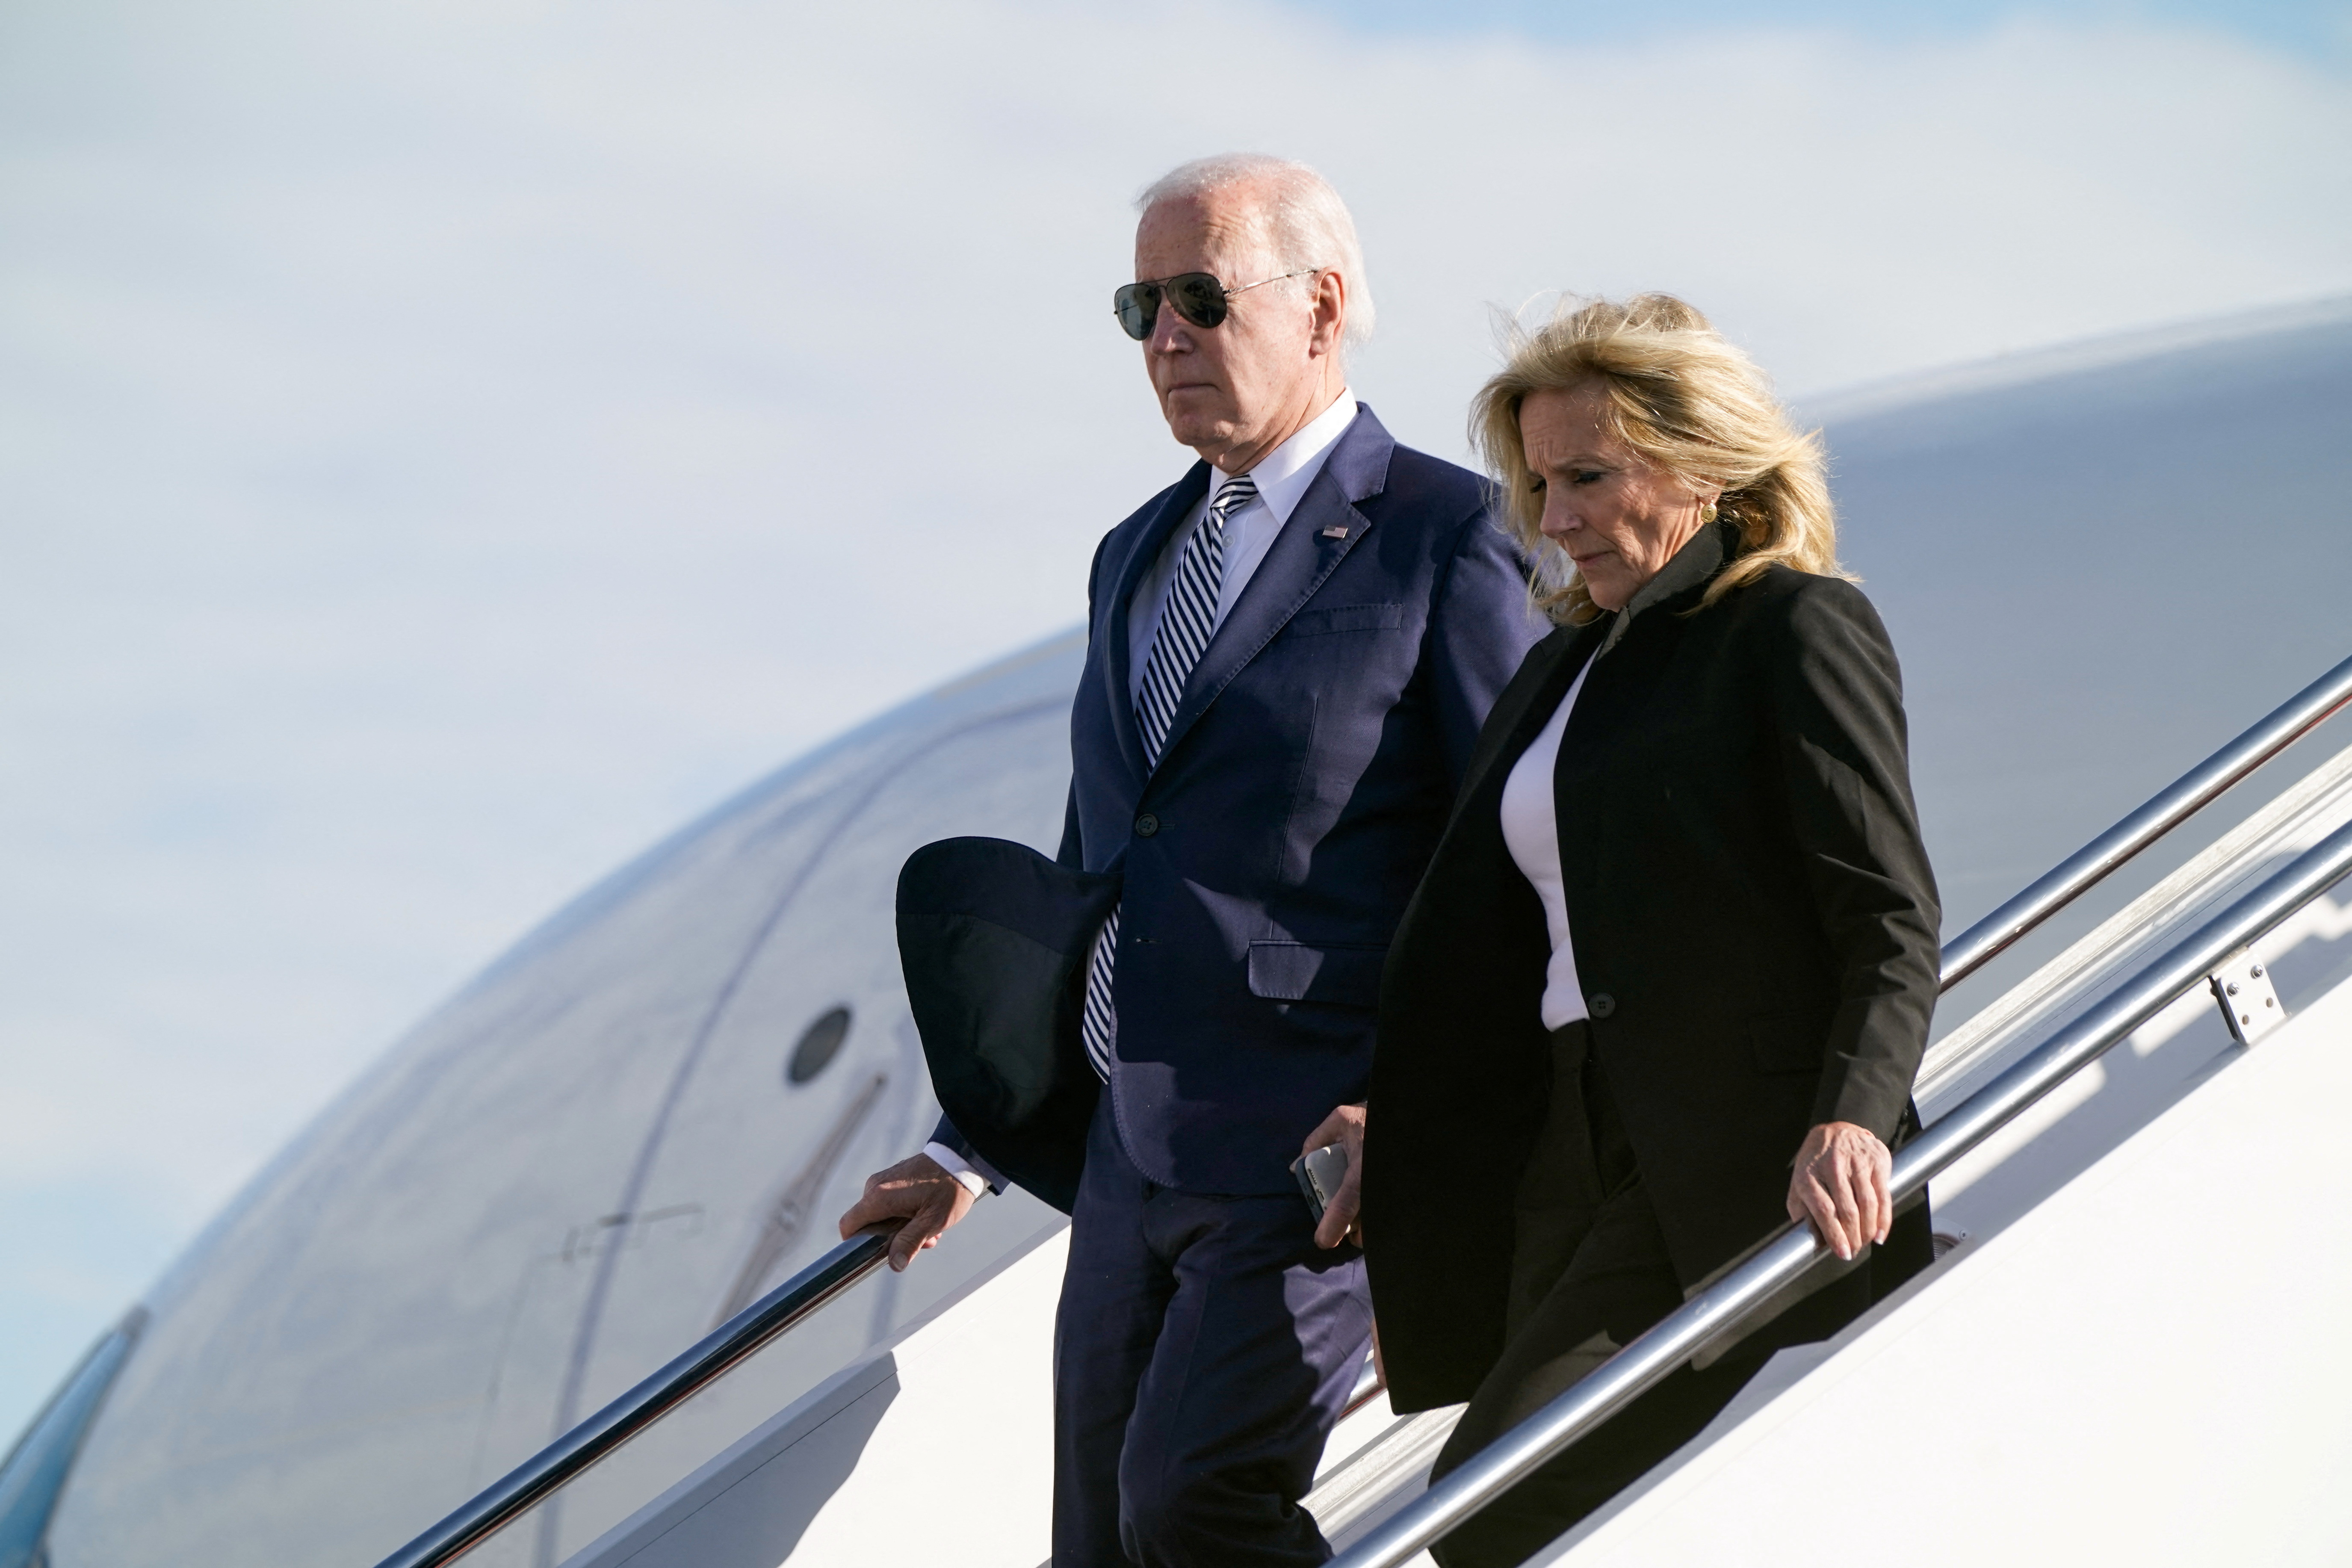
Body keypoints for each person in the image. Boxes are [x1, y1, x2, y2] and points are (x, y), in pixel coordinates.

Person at [838, 154, 1542, 1566]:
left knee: (1198, 1509)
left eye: (1201, 297)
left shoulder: (1444, 532)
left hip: (1313, 1144)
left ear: (1322, 304)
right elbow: (1104, 855)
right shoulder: (1133, 553)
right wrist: (970, 1136)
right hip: (1127, 1152)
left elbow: (1515, 857)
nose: (1165, 336)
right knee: (1097, 1546)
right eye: (1140, 304)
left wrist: (1418, 1116)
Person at [1359, 294, 1943, 1567]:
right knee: (1562, 1518)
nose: (1553, 518)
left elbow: (1886, 910)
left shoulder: (1789, 622)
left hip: (1725, 1153)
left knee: (1485, 1505)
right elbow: (1500, 941)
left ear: (1701, 463)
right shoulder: (1565, 663)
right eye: (1536, 482)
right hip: (1562, 1147)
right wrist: (1390, 1123)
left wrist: (1852, 1111)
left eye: (1586, 475)